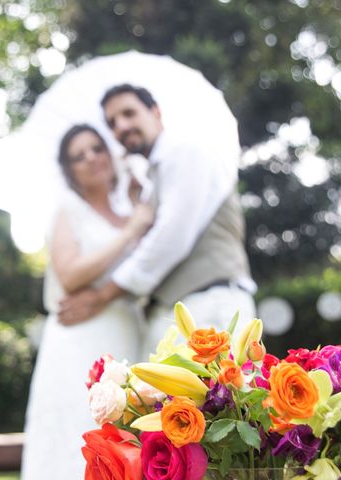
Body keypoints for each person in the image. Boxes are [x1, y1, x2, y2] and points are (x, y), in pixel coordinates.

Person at [58, 84, 256, 357]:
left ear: (156, 112)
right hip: (178, 314)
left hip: (210, 308)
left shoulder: (184, 150)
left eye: (129, 113)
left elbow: (170, 238)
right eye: (112, 123)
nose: (122, 126)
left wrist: (103, 296)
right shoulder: (154, 177)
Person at [21, 124, 153, 480]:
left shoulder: (133, 211)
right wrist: (129, 233)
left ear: (110, 154)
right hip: (80, 338)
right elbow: (71, 274)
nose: (91, 158)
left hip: (128, 334)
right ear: (70, 170)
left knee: (128, 436)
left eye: (96, 148)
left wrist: (139, 212)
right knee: (75, 429)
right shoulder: (69, 209)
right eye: (79, 156)